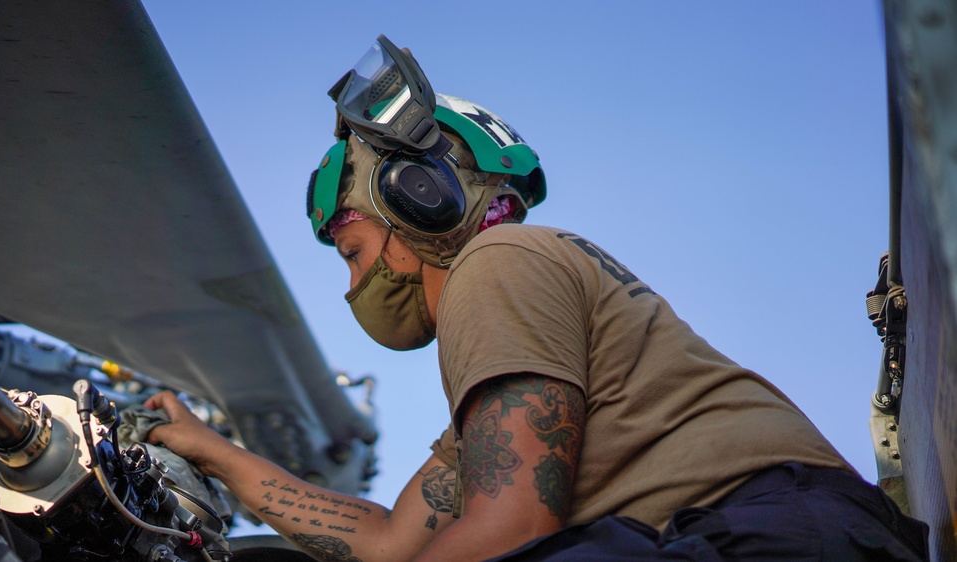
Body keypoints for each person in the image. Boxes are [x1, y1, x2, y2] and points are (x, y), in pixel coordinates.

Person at [145, 36, 929, 561]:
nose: (352, 283)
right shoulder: (502, 398)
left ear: (417, 200)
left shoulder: (499, 262)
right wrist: (207, 448)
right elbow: (388, 545)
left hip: (771, 535)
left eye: (350, 250)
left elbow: (512, 527)